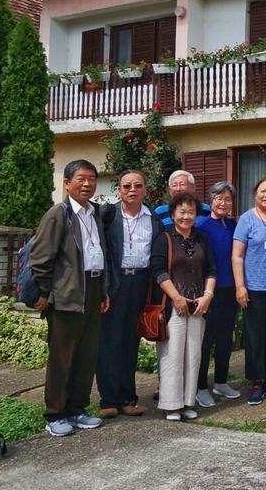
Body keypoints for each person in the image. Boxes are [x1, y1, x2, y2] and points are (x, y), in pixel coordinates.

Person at [29, 160, 111, 437]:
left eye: (92, 179)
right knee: (62, 358)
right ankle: (55, 414)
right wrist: (44, 292)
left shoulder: (94, 213)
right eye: (81, 179)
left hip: (93, 288)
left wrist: (103, 291)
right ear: (66, 183)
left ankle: (77, 409)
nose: (87, 184)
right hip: (66, 295)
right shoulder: (58, 215)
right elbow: (41, 258)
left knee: (86, 356)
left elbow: (99, 254)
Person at [97, 170, 164, 419]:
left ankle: (127, 398)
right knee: (109, 342)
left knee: (131, 342)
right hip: (115, 282)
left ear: (145, 189)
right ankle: (108, 400)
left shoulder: (153, 218)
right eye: (127, 186)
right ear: (119, 190)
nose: (132, 190)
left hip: (141, 283)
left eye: (137, 185)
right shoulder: (108, 215)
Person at [151, 192, 216, 421]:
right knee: (172, 355)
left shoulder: (201, 239)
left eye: (191, 212)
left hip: (198, 306)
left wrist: (207, 296)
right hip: (173, 305)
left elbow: (211, 270)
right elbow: (158, 270)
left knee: (193, 356)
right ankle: (171, 405)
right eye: (182, 211)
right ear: (172, 214)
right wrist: (176, 298)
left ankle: (188, 402)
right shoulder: (164, 238)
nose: (186, 216)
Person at [232, 177, 266, 405]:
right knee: (254, 336)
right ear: (256, 194)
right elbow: (237, 255)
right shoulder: (246, 219)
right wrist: (240, 286)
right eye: (263, 191)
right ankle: (256, 382)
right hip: (253, 288)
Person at [195, 182, 241, 405]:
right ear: (211, 200)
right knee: (206, 340)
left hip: (230, 289)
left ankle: (221, 382)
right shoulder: (201, 226)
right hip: (209, 290)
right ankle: (200, 386)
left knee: (225, 338)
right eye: (219, 198)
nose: (223, 203)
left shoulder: (233, 225)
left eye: (228, 199)